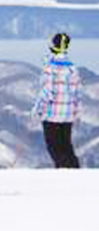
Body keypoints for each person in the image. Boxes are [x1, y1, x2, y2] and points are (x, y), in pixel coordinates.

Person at [32, 33, 82, 168]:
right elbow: (77, 93)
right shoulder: (72, 68)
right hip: (67, 115)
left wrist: (37, 110)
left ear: (53, 46)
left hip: (51, 115)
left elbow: (47, 91)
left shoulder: (50, 68)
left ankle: (64, 173)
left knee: (54, 147)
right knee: (66, 145)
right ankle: (76, 172)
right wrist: (76, 113)